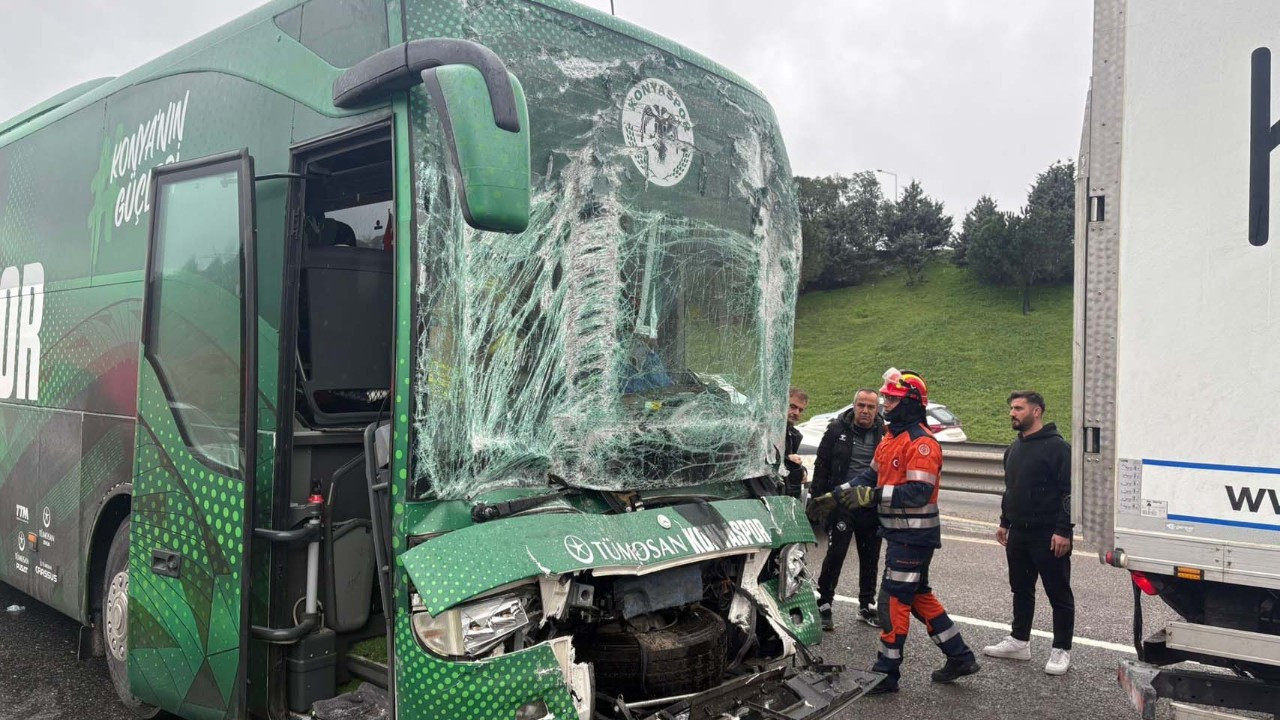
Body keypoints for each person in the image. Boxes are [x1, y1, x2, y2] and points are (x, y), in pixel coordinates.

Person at [815, 368, 979, 694]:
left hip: (913, 537)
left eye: (892, 399)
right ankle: (960, 656)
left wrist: (872, 497)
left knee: (892, 600)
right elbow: (869, 477)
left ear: (910, 404)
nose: (885, 404)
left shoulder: (922, 444)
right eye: (886, 398)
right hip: (900, 535)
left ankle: (886, 673)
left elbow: (918, 492)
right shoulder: (890, 438)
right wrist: (836, 495)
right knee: (917, 596)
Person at [983, 391, 1075, 676]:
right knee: (1021, 589)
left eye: (1018, 408)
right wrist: (1004, 522)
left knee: (1058, 593)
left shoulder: (1058, 448)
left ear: (1037, 412)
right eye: (1012, 408)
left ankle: (1061, 648)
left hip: (1049, 535)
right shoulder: (1014, 448)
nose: (1012, 413)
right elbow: (1011, 489)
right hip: (1018, 534)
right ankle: (1019, 641)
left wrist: (1063, 530)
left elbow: (1070, 493)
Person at [810, 388, 884, 631]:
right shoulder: (836, 429)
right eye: (861, 405)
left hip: (870, 504)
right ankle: (824, 603)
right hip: (842, 503)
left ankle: (866, 605)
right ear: (854, 406)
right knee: (836, 553)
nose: (865, 410)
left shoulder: (885, 433)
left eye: (870, 407)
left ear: (877, 410)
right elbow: (822, 464)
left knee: (870, 556)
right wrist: (818, 499)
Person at [783, 388, 809, 498]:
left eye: (800, 410)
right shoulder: (764, 430)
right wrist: (788, 460)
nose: (796, 413)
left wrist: (802, 471)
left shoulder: (794, 436)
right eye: (793, 407)